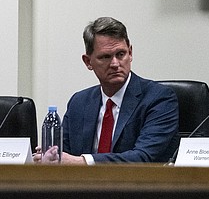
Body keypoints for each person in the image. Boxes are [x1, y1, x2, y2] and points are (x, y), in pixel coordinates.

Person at [35, 17, 179, 164]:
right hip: (81, 186)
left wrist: (84, 162)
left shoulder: (159, 98)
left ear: (130, 53)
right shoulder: (79, 102)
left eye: (121, 54)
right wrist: (50, 157)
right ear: (88, 62)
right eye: (105, 57)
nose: (115, 64)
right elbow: (63, 154)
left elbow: (143, 157)